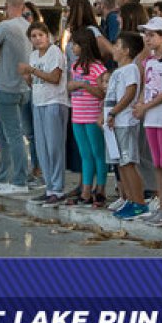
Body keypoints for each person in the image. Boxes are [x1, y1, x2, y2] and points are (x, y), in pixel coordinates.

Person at [0, 0, 32, 195]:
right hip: (24, 86)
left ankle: (20, 180)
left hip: (7, 85)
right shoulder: (29, 27)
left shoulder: (5, 26)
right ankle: (3, 177)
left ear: (7, 6)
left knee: (13, 135)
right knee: (4, 134)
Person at [133, 17, 162, 224]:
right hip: (151, 118)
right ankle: (161, 205)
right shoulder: (148, 61)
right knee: (157, 164)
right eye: (146, 35)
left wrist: (146, 106)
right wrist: (140, 103)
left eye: (152, 35)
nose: (147, 39)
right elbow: (147, 86)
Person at [20, 20, 68, 207]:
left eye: (41, 35)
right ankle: (49, 188)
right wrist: (27, 77)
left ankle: (58, 188)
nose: (38, 39)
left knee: (54, 147)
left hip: (54, 101)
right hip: (38, 102)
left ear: (47, 36)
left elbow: (54, 78)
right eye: (33, 36)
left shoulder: (55, 52)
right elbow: (35, 82)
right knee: (42, 147)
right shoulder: (33, 55)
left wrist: (32, 70)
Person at [105, 32, 146, 220]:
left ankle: (139, 202)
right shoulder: (118, 71)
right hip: (114, 123)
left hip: (125, 122)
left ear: (127, 50)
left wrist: (114, 112)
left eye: (117, 45)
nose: (113, 48)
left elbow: (130, 93)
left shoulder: (130, 69)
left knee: (128, 163)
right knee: (121, 164)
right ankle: (129, 199)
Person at [66, 25, 107, 208]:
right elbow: (69, 86)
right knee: (85, 154)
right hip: (78, 116)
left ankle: (100, 189)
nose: (72, 47)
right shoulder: (75, 67)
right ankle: (86, 190)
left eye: (75, 44)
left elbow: (101, 93)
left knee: (97, 153)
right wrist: (72, 86)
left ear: (83, 46)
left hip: (92, 116)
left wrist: (83, 85)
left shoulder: (98, 68)